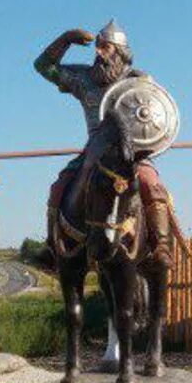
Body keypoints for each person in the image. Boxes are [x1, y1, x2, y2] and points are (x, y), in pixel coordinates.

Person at [35, 20, 174, 265]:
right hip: (94, 151)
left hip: (133, 153)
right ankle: (52, 247)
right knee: (59, 186)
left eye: (105, 47)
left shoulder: (139, 81)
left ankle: (161, 245)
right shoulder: (83, 78)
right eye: (97, 47)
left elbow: (154, 114)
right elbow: (43, 66)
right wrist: (65, 39)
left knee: (151, 183)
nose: (98, 52)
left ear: (120, 52)